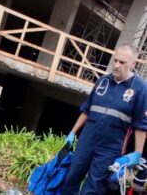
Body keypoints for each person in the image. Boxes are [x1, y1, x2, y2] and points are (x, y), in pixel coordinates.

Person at [62, 44, 147, 194]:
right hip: (86, 141)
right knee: (71, 178)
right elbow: (87, 109)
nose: (116, 65)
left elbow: (141, 124)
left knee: (94, 187)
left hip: (110, 147)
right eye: (115, 60)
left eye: (122, 62)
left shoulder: (140, 88)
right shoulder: (102, 81)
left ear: (133, 64)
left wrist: (137, 153)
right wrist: (72, 133)